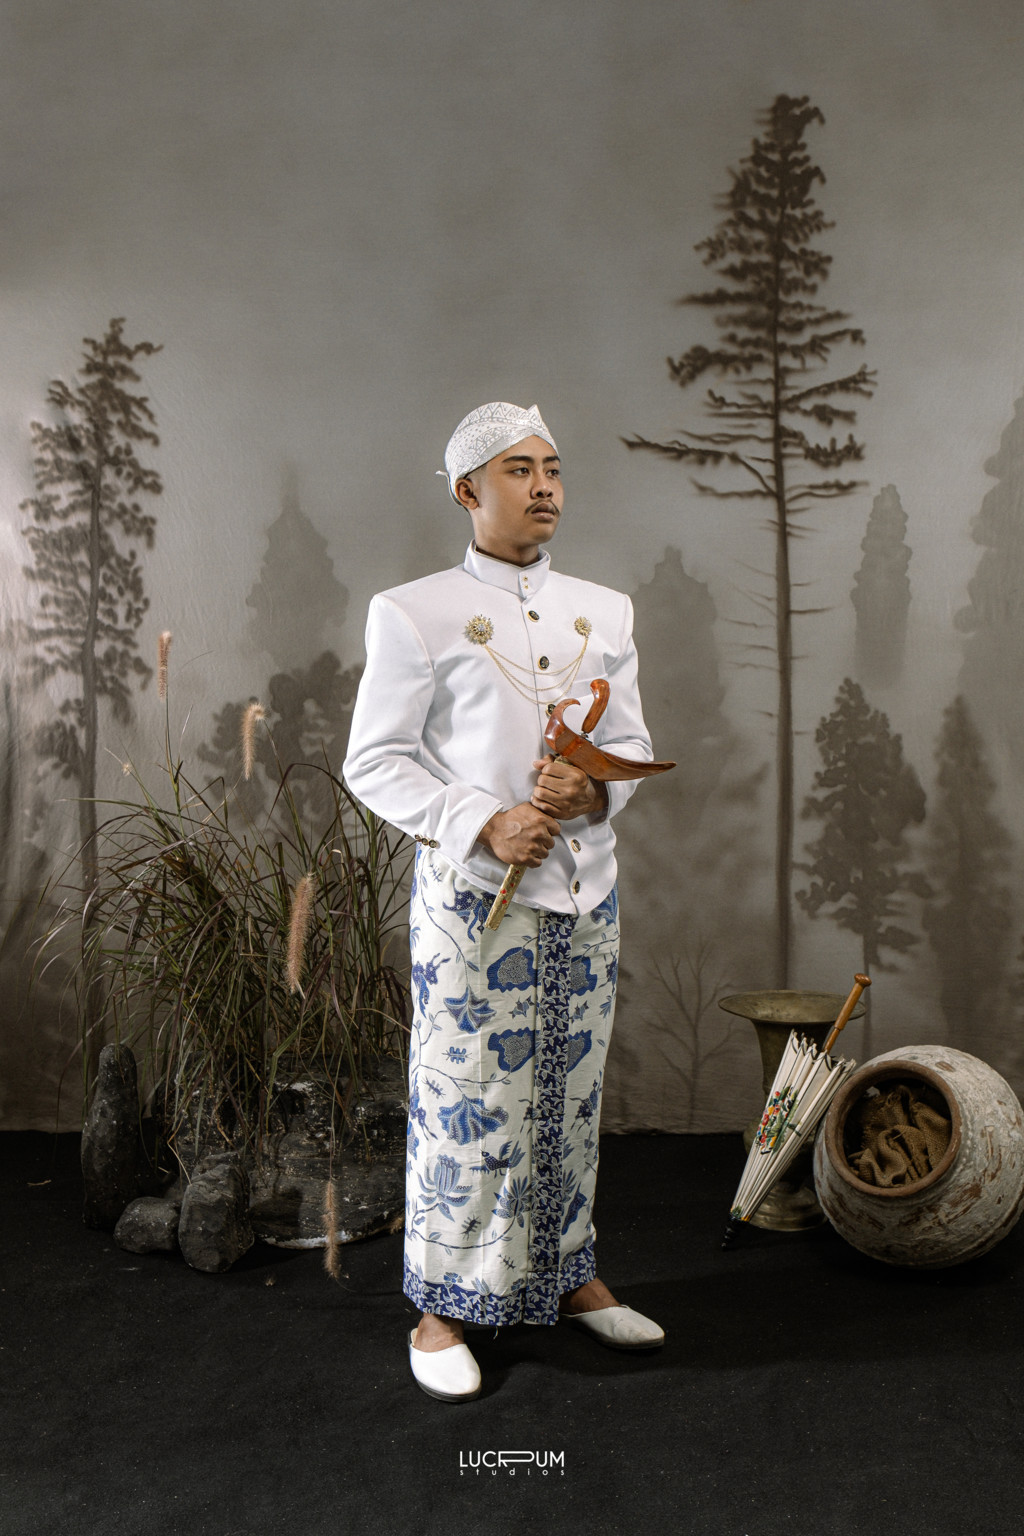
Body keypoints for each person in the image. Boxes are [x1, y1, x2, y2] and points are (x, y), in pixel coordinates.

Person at [343, 401, 664, 1402]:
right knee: (467, 1100)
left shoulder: (605, 611)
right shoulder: (413, 612)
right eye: (518, 470)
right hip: (474, 903)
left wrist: (592, 787)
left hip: (585, 896)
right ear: (466, 490)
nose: (543, 487)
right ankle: (442, 1307)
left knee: (573, 1095)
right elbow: (375, 760)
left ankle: (568, 1274)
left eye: (552, 468)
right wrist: (484, 819)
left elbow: (629, 747)